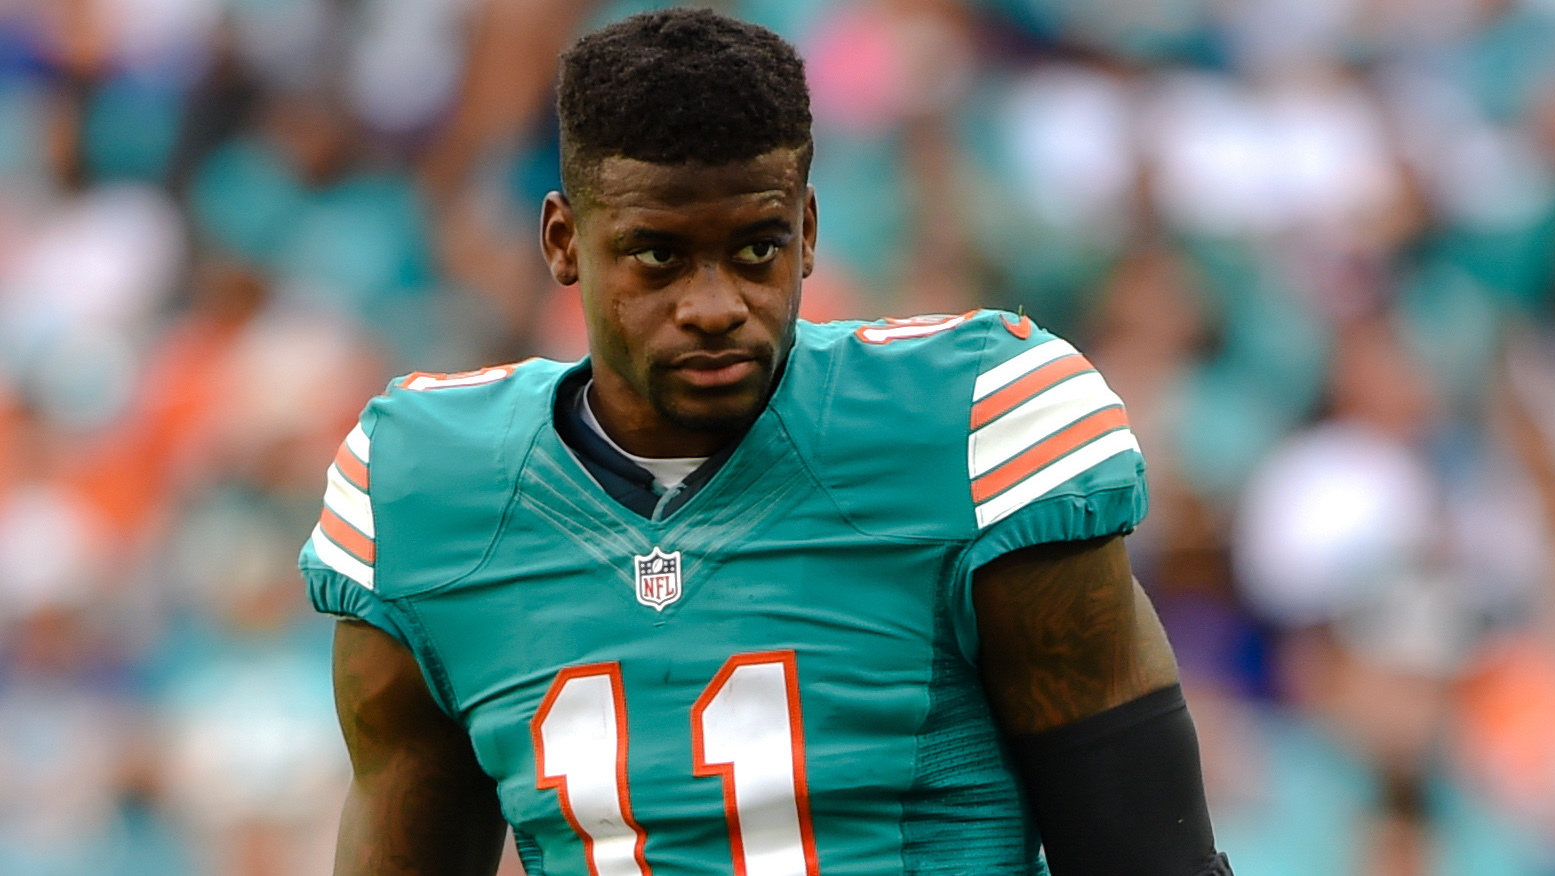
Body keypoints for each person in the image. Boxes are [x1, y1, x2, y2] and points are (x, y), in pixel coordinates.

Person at [299, 8, 1232, 875]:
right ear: (563, 242)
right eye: (658, 253)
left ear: (809, 231)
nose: (715, 306)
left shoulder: (971, 427)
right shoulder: (426, 491)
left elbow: (1148, 857)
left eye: (755, 247)